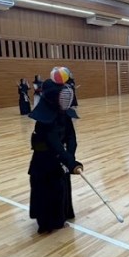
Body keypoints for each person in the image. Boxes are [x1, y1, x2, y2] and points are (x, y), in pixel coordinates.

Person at [27, 76, 82, 234]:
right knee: (50, 189)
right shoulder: (44, 118)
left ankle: (62, 215)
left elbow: (71, 137)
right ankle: (48, 222)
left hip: (60, 159)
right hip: (44, 161)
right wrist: (68, 161)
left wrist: (70, 157)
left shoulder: (64, 113)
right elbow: (53, 142)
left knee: (62, 185)